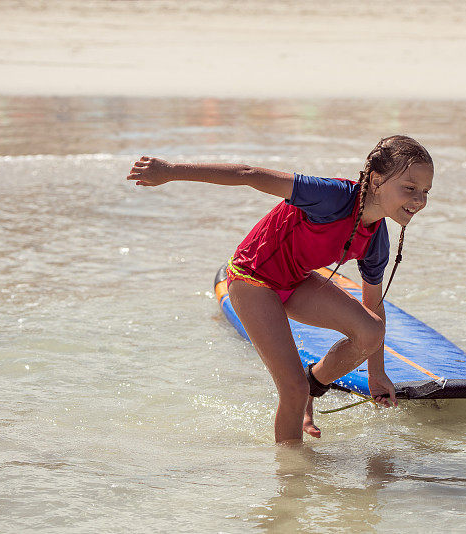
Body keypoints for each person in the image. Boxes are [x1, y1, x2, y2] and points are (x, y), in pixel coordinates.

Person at [126, 135, 434, 444]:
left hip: (294, 281)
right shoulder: (332, 197)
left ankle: (316, 381)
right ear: (377, 180)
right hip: (251, 280)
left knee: (370, 332)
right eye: (409, 188)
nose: (419, 200)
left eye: (425, 191)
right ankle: (292, 478)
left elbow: (374, 305)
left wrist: (375, 373)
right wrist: (169, 171)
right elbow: (249, 175)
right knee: (292, 390)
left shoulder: (377, 238)